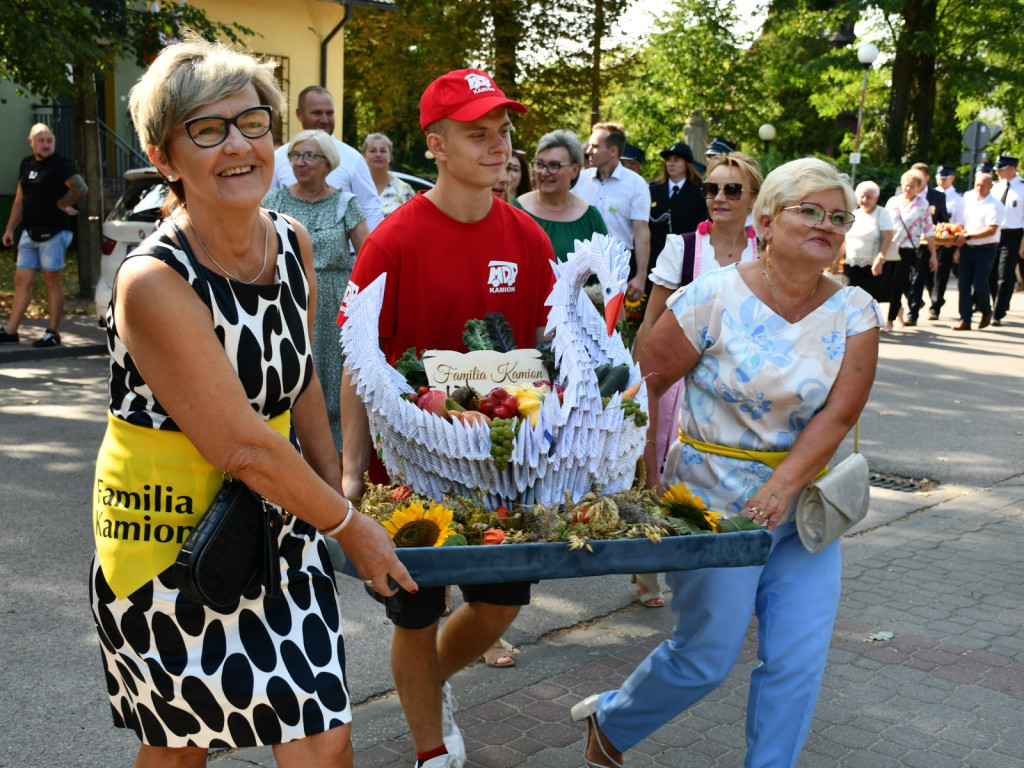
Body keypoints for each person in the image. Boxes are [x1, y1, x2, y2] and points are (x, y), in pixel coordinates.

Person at [91, 38, 414, 768]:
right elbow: (238, 443)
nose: (238, 144)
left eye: (253, 121)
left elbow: (298, 382)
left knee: (324, 742)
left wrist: (338, 489)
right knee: (179, 751)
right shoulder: (153, 281)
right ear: (164, 154)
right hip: (169, 549)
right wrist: (350, 526)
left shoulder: (292, 240)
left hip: (281, 522)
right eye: (207, 129)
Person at [571, 157, 881, 768]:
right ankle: (613, 721)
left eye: (838, 217)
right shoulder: (711, 298)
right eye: (810, 210)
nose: (827, 224)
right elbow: (643, 385)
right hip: (712, 510)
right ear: (766, 220)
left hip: (805, 511)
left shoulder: (856, 312)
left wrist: (785, 486)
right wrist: (649, 476)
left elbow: (838, 415)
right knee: (705, 658)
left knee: (797, 658)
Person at [337, 68, 556, 768]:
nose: (497, 147)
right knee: (417, 612)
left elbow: (554, 355)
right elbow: (354, 359)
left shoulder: (528, 240)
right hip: (408, 471)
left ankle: (428, 684)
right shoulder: (392, 242)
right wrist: (348, 469)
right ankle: (433, 750)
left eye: (502, 132)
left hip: (499, 466)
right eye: (477, 134)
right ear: (435, 144)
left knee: (498, 609)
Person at [630, 150, 762, 608]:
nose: (719, 197)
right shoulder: (683, 247)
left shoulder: (764, 250)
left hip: (739, 385)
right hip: (678, 384)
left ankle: (720, 570)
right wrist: (644, 380)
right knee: (658, 475)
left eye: (732, 189)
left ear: (754, 199)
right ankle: (648, 573)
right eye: (711, 188)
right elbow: (652, 320)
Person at [263, 128, 369, 462]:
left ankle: (337, 467)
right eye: (295, 155)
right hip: (286, 300)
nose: (300, 162)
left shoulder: (344, 203)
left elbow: (368, 255)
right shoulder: (274, 201)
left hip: (334, 304)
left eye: (309, 156)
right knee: (288, 377)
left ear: (328, 163)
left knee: (336, 384)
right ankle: (288, 457)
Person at [0, 123, 88, 347]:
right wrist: (10, 229)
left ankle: (52, 333)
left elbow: (80, 188)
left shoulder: (61, 165)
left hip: (54, 233)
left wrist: (62, 203)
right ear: (31, 142)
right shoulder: (26, 164)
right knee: (22, 281)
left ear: (54, 142)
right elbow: (20, 200)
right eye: (41, 140)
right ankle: (11, 332)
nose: (46, 145)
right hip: (29, 234)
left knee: (52, 281)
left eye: (50, 140)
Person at [271, 85, 384, 231]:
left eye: (329, 113)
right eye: (317, 113)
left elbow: (371, 209)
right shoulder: (279, 157)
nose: (324, 120)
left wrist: (366, 251)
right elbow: (266, 209)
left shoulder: (352, 158)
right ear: (299, 114)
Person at [577, 122, 651, 301]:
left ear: (613, 151)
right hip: (578, 266)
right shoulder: (579, 180)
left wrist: (641, 276)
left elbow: (641, 231)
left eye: (595, 146)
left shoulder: (636, 184)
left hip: (617, 268)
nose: (589, 152)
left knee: (612, 325)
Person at [512, 129, 608, 262]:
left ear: (574, 170)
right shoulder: (516, 211)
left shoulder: (590, 218)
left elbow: (604, 274)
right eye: (540, 164)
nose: (544, 172)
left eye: (554, 165)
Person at [648, 141, 710, 289]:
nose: (671, 163)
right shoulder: (654, 189)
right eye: (668, 160)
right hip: (656, 258)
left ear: (687, 163)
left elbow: (702, 225)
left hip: (686, 257)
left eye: (676, 160)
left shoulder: (698, 191)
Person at [952, 167, 1004, 331]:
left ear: (990, 186)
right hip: (967, 248)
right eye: (977, 185)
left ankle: (986, 311)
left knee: (980, 283)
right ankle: (965, 319)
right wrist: (958, 246)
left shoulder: (995, 205)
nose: (979, 188)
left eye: (983, 185)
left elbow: (991, 229)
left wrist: (969, 236)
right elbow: (960, 224)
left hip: (986, 249)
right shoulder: (967, 200)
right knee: (963, 284)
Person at [883, 169, 936, 332]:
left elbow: (928, 230)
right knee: (886, 283)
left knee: (897, 284)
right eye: (906, 185)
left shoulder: (923, 204)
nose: (908, 189)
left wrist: (933, 254)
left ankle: (890, 320)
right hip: (889, 247)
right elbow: (883, 224)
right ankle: (898, 310)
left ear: (918, 187)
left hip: (907, 250)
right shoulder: (893, 201)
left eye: (912, 186)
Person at [906, 163, 948, 326]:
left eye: (919, 177)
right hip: (906, 244)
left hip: (927, 244)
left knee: (923, 279)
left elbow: (943, 220)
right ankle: (914, 301)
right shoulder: (902, 194)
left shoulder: (937, 196)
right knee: (904, 279)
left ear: (927, 178)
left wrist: (938, 235)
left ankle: (920, 310)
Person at [835, 180, 894, 297]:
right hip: (851, 265)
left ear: (876, 198)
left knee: (868, 300)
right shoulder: (854, 214)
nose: (865, 200)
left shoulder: (881, 213)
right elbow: (845, 240)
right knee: (849, 299)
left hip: (872, 267)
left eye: (869, 197)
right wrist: (836, 261)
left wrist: (880, 259)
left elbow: (888, 237)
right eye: (862, 196)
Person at [989, 154, 1024, 325]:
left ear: (1012, 169)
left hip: (1014, 234)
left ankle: (998, 312)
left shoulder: (1023, 187)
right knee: (991, 272)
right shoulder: (994, 188)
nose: (997, 172)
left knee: (1005, 273)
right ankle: (999, 301)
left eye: (1000, 169)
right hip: (994, 233)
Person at [930, 165, 965, 320]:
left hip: (948, 241)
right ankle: (933, 297)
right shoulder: (931, 194)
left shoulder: (958, 199)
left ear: (952, 178)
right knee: (927, 273)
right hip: (930, 239)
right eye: (940, 177)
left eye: (945, 178)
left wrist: (957, 247)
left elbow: (960, 223)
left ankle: (935, 306)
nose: (942, 180)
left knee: (941, 274)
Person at [363, 132, 415, 216]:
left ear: (390, 156)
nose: (378, 155)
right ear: (364, 155)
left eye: (383, 151)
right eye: (373, 151)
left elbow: (414, 221)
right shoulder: (356, 187)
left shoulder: (404, 190)